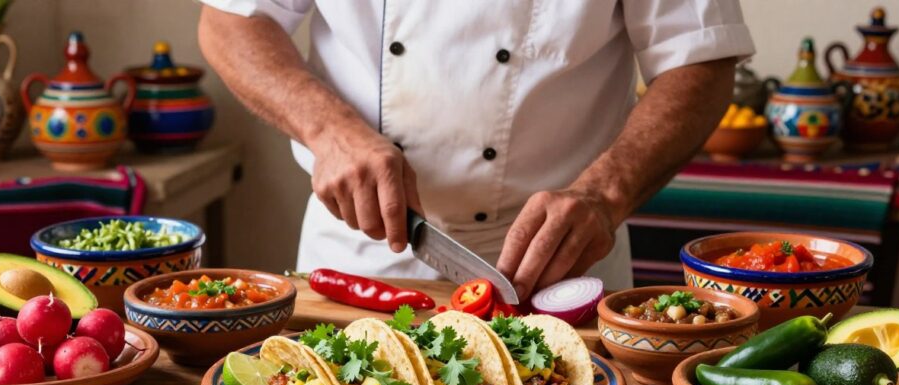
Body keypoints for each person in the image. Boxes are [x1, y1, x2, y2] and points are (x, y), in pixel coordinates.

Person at [199, 1, 754, 298]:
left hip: (560, 259)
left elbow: (699, 59)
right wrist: (328, 131)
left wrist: (604, 194)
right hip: (361, 251)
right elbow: (231, 21)